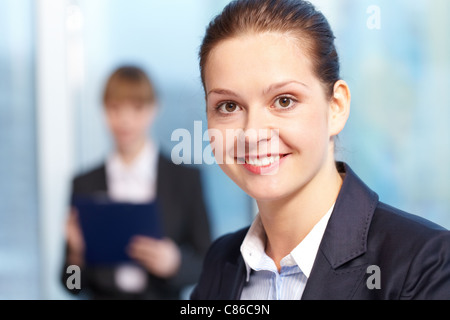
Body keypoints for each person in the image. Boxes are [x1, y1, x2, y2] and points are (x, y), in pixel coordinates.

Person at [190, 0, 450, 300]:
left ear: (336, 107)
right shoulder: (221, 263)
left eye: (284, 100)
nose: (252, 134)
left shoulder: (425, 264)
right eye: (229, 106)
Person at [61, 65, 212, 300]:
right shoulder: (84, 185)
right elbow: (71, 286)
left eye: (137, 108)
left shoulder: (184, 180)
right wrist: (75, 256)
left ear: (154, 109)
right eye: (115, 108)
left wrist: (175, 264)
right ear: (103, 110)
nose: (125, 119)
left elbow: (208, 263)